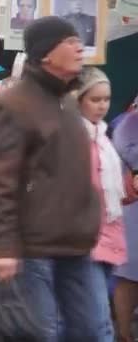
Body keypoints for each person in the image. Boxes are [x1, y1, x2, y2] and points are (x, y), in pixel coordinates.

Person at [0, 17, 102, 341]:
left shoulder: (69, 103)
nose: (79, 47)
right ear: (46, 53)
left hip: (77, 245)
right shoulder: (13, 105)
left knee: (92, 331)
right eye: (69, 41)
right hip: (32, 249)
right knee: (42, 335)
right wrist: (2, 247)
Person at [75, 67, 126, 342]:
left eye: (106, 99)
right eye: (95, 99)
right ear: (79, 99)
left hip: (109, 234)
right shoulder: (73, 138)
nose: (102, 105)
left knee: (90, 316)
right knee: (100, 323)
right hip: (82, 238)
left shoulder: (103, 137)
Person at [112, 105, 138, 342]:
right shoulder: (128, 124)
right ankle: (124, 333)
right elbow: (128, 152)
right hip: (133, 210)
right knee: (129, 275)